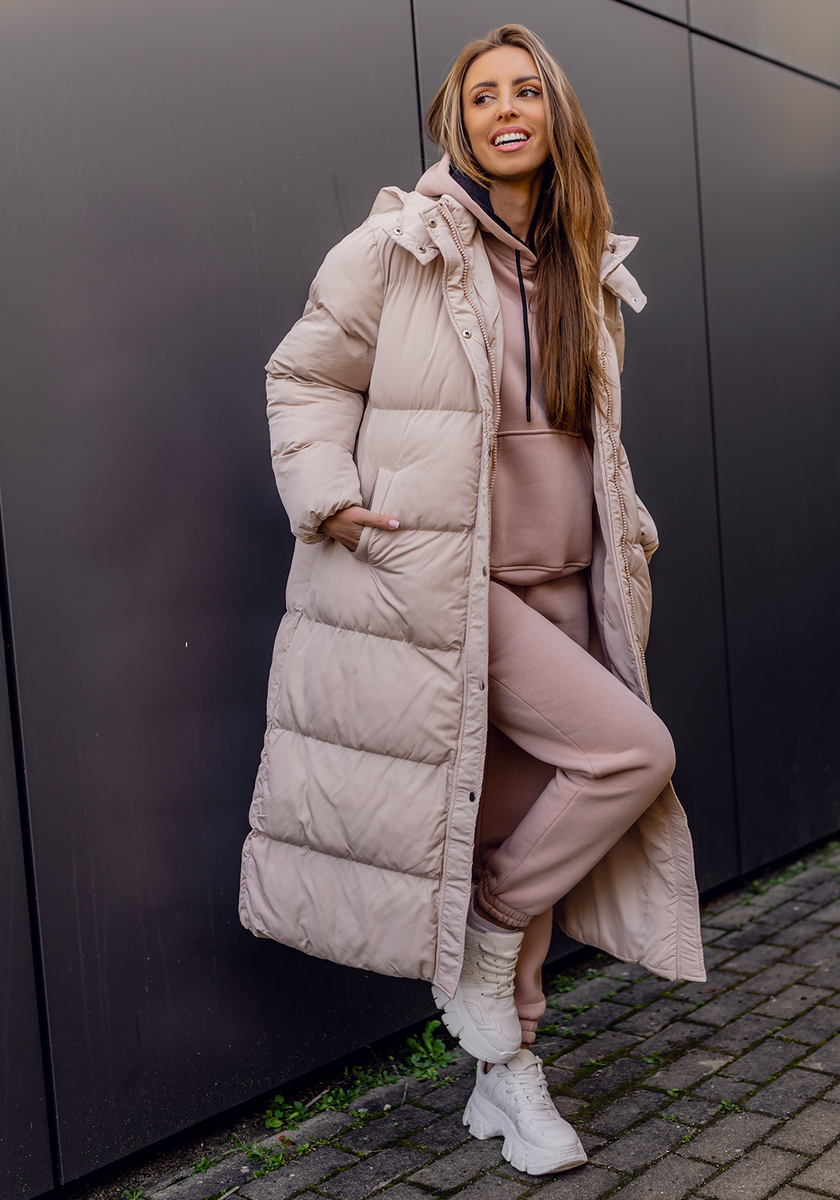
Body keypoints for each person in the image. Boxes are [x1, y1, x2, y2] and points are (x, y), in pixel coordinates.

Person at [239, 23, 705, 1177]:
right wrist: (330, 497)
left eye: (526, 90)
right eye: (484, 93)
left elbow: (585, 433)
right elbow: (304, 373)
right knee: (630, 755)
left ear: (554, 113)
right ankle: (489, 940)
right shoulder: (400, 243)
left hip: (568, 583)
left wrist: (628, 522)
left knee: (521, 816)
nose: (506, 109)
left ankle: (509, 1080)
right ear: (458, 119)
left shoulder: (583, 257)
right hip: (450, 582)